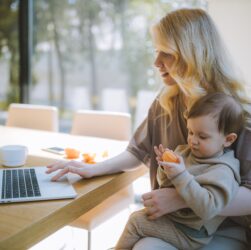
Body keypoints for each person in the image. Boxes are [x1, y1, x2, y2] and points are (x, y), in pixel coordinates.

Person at [46, 8, 251, 249]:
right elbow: (137, 152)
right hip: (174, 221)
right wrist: (94, 169)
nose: (156, 63)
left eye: (167, 54)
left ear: (192, 54)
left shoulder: (235, 113)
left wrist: (180, 198)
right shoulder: (166, 101)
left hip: (220, 228)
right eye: (156, 52)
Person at [115, 92, 243, 249]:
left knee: (136, 223)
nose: (193, 141)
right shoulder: (185, 152)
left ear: (228, 139)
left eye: (202, 137)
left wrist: (181, 175)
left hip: (191, 233)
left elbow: (209, 208)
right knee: (137, 219)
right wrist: (165, 168)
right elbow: (165, 184)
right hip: (174, 220)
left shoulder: (223, 171)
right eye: (190, 132)